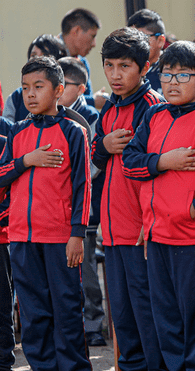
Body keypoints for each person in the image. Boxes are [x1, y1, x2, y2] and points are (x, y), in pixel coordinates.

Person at [122, 40, 195, 371]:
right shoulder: (154, 115)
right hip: (157, 234)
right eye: (167, 74)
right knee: (166, 317)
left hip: (194, 236)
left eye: (183, 75)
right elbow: (130, 162)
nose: (172, 82)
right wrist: (164, 161)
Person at [0, 56, 92, 370]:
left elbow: (83, 187)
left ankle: (73, 366)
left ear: (58, 90)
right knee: (33, 313)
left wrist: (77, 234)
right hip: (23, 238)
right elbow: (2, 174)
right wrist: (28, 160)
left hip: (60, 239)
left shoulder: (73, 132)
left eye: (38, 87)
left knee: (66, 309)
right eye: (25, 87)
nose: (30, 94)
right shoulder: (17, 132)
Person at [90, 28, 165, 370]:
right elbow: (96, 154)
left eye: (124, 66)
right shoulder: (108, 111)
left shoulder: (154, 108)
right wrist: (103, 146)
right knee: (122, 316)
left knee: (149, 314)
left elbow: (161, 172)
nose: (116, 75)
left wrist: (150, 221)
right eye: (109, 66)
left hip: (142, 232)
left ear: (144, 67)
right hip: (114, 230)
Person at [58, 56, 106, 346]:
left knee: (87, 269)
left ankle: (93, 324)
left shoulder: (91, 116)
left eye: (65, 85)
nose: (59, 90)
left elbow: (95, 162)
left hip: (86, 206)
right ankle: (70, 326)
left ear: (81, 87)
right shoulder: (49, 118)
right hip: (58, 207)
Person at [2, 34, 69, 123]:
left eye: (45, 55)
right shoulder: (16, 97)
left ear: (59, 91)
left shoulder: (70, 95)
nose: (38, 59)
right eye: (33, 55)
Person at [60, 8, 106, 108]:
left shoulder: (82, 63)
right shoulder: (47, 56)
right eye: (92, 36)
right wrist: (93, 101)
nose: (94, 44)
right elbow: (49, 98)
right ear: (76, 31)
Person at [127, 8, 167, 93]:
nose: (135, 44)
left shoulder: (173, 71)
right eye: (130, 38)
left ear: (160, 41)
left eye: (142, 38)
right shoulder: (127, 71)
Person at [0, 132, 13, 371]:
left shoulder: (5, 143)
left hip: (0, 237)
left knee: (1, 304)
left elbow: (12, 193)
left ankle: (3, 361)